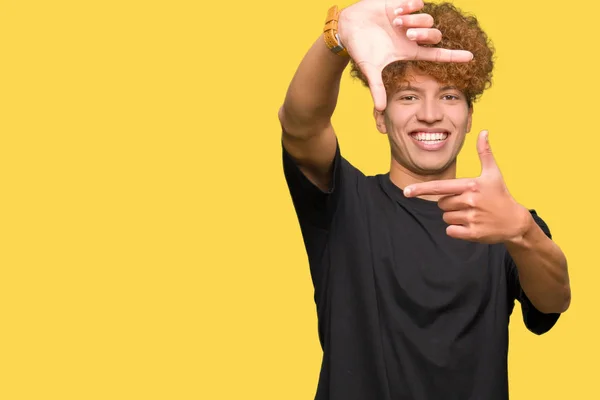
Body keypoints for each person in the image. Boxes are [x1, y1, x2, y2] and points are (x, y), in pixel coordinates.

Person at [278, 0, 571, 399]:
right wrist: (338, 37)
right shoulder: (344, 202)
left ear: (469, 117)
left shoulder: (504, 221)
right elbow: (300, 124)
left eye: (449, 96)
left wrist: (523, 231)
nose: (430, 114)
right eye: (408, 97)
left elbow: (553, 303)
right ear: (381, 116)